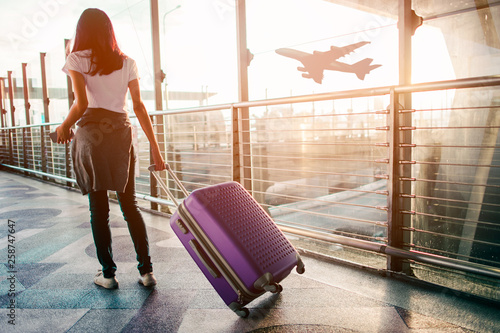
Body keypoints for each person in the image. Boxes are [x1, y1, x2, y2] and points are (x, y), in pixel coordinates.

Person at [55, 8, 166, 289]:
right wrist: (156, 148)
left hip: (92, 137)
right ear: (108, 31)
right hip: (121, 135)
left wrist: (64, 127)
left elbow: (80, 105)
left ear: (82, 31)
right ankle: (146, 272)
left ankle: (108, 274)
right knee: (130, 205)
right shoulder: (127, 62)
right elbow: (139, 107)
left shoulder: (76, 59)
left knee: (99, 210)